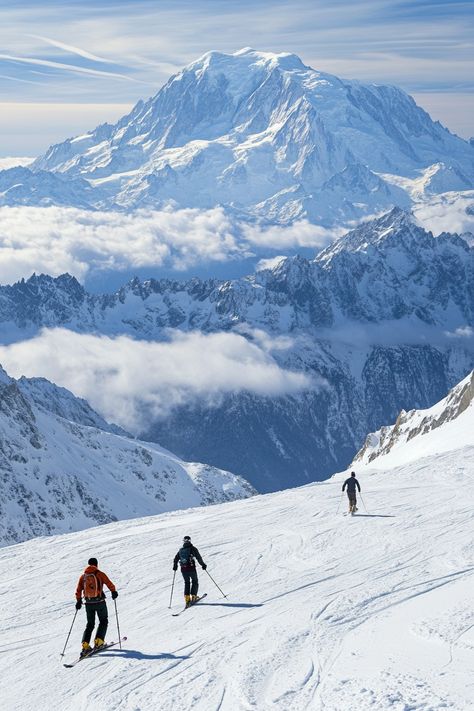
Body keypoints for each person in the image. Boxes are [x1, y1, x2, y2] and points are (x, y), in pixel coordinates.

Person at [75, 557, 118, 657]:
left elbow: (78, 589)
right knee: (103, 621)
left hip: (88, 603)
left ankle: (85, 645)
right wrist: (113, 591)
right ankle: (98, 642)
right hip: (99, 602)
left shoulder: (83, 576)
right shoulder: (99, 574)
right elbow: (108, 583)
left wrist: (78, 601)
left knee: (90, 624)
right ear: (96, 564)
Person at [173, 536, 207, 607]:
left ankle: (187, 599)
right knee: (195, 581)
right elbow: (198, 557)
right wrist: (203, 565)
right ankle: (194, 597)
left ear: (184, 541)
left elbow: (175, 559)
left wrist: (175, 566)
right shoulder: (193, 549)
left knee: (187, 583)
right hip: (191, 568)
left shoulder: (181, 550)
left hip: (183, 569)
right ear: (190, 540)